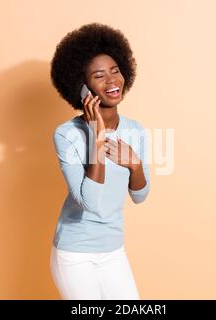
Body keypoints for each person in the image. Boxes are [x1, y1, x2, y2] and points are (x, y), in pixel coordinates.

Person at [49, 22, 150, 300]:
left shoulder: (136, 130)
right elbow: (90, 203)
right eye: (99, 76)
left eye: (115, 71)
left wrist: (135, 165)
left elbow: (140, 196)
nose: (112, 81)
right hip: (75, 253)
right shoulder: (67, 134)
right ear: (82, 89)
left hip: (114, 250)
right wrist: (96, 136)